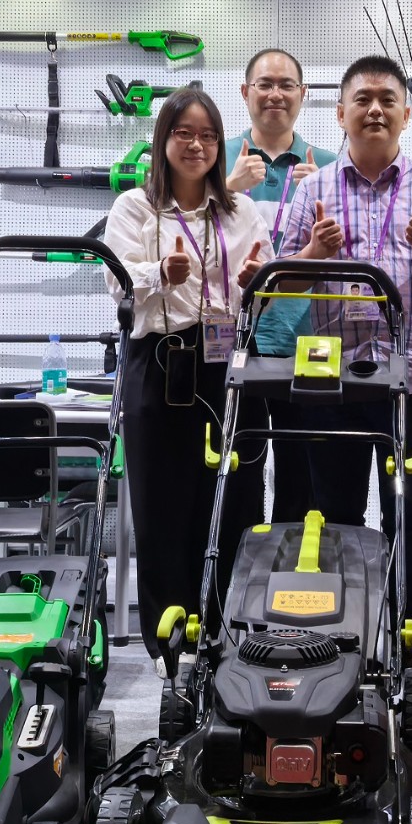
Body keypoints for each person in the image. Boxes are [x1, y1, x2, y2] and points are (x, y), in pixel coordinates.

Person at [277, 54, 412, 681]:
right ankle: (342, 633)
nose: (376, 109)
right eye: (363, 99)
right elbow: (280, 285)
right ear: (341, 113)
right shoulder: (313, 190)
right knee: (335, 515)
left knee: (408, 512)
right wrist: (313, 252)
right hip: (330, 382)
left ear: (407, 114)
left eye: (388, 100)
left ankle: (409, 631)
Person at [102, 89, 272, 660]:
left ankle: (229, 629)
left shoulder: (240, 210)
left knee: (235, 496)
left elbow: (265, 283)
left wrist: (255, 281)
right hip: (160, 361)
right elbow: (116, 283)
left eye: (207, 135)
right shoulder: (134, 207)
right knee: (162, 503)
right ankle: (168, 639)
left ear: (219, 145)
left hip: (229, 361)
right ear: (163, 141)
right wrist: (158, 272)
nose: (196, 145)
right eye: (184, 133)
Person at [222, 48, 338, 522]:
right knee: (238, 471)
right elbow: (185, 226)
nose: (275, 94)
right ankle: (236, 566)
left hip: (307, 340)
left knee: (303, 478)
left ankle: (294, 567)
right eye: (264, 84)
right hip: (234, 339)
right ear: (245, 92)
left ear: (303, 94)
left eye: (287, 85)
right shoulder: (216, 158)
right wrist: (227, 189)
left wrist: (325, 192)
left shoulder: (330, 166)